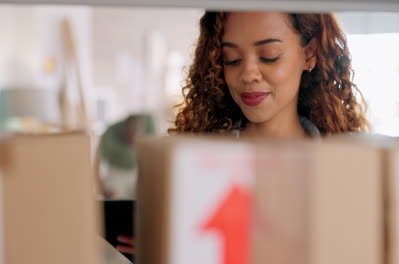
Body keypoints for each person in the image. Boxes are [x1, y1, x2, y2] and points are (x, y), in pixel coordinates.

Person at [116, 10, 369, 255]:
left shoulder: (346, 169)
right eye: (232, 59)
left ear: (310, 54)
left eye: (269, 56)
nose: (247, 74)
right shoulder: (194, 167)